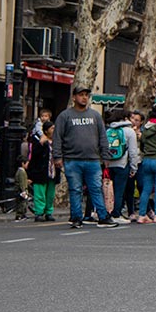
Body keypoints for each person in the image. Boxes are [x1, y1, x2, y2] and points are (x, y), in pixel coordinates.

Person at [52, 85, 116, 229]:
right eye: (81, 95)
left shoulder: (95, 116)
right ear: (74, 97)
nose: (84, 97)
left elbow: (102, 137)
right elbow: (57, 138)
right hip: (72, 160)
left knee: (96, 188)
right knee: (75, 189)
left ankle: (103, 216)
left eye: (86, 95)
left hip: (93, 160)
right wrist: (57, 156)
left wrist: (105, 156)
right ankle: (76, 217)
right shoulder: (65, 116)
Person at [104, 107, 140, 221]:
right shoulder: (129, 131)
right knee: (120, 190)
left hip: (110, 164)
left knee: (111, 190)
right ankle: (116, 214)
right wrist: (134, 167)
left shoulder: (109, 130)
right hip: (122, 164)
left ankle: (108, 212)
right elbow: (133, 152)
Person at [135, 105, 156, 223]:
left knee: (146, 189)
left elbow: (142, 144)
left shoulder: (145, 128)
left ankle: (142, 215)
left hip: (147, 160)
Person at [28, 122, 56, 221]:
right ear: (46, 130)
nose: (54, 130)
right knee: (40, 193)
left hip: (52, 171)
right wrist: (41, 143)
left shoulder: (56, 141)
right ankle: (39, 212)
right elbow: (34, 155)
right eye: (52, 128)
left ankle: (49, 212)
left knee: (50, 194)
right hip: (41, 171)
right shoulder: (39, 140)